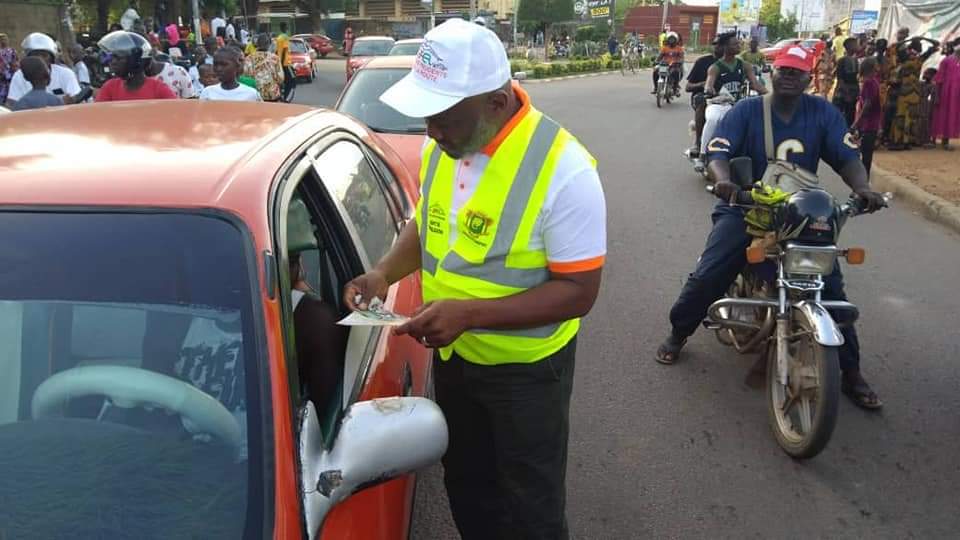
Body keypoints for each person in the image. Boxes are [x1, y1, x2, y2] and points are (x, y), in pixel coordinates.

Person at [361, 18, 606, 539]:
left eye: (443, 116)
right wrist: (383, 272)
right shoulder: (442, 148)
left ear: (496, 103)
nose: (431, 130)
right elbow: (428, 225)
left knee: (530, 503)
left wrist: (470, 314)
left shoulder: (565, 169)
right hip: (456, 360)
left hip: (527, 375)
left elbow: (580, 292)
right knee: (469, 485)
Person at [658, 44, 886, 410]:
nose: (789, 77)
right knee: (711, 273)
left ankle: (851, 372)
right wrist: (723, 181)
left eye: (797, 71)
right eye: (783, 70)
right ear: (772, 72)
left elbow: (847, 158)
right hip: (747, 206)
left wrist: (863, 188)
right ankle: (678, 332)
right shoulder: (747, 111)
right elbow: (719, 152)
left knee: (829, 286)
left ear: (810, 77)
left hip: (800, 212)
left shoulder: (822, 113)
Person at [699, 31, 766, 157]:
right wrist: (708, 89)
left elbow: (756, 85)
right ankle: (703, 154)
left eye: (738, 43)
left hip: (737, 105)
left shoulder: (745, 65)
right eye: (735, 44)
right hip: (718, 104)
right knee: (713, 119)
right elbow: (709, 83)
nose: (738, 46)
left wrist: (771, 95)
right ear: (725, 47)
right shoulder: (715, 67)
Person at [5, 33, 82, 109]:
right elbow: (11, 104)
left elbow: (75, 98)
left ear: (51, 58)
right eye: (35, 55)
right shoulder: (19, 76)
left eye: (44, 55)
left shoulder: (66, 73)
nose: (40, 59)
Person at [95, 31, 176, 102]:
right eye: (112, 57)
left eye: (118, 57)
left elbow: (177, 113)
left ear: (135, 61)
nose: (112, 62)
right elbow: (97, 115)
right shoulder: (110, 88)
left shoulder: (158, 89)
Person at [888, 38, 939, 150]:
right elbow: (936, 45)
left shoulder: (904, 58)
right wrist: (924, 38)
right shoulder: (920, 59)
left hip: (904, 92)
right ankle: (906, 142)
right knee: (910, 118)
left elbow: (894, 47)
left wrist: (909, 39)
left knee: (901, 117)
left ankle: (898, 141)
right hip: (915, 92)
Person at [685, 39, 725, 168]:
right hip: (704, 97)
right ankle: (698, 142)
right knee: (701, 101)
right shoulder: (702, 62)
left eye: (720, 45)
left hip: (727, 99)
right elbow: (688, 86)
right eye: (715, 45)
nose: (717, 47)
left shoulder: (738, 64)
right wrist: (702, 84)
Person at [851, 57, 882, 176]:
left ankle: (863, 183)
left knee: (865, 156)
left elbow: (867, 105)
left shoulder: (869, 83)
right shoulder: (873, 81)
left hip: (868, 123)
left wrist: (855, 124)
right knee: (866, 156)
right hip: (870, 123)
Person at [931, 39, 960, 150]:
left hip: (957, 94)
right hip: (947, 93)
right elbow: (939, 79)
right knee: (945, 114)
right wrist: (937, 94)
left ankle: (946, 139)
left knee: (953, 115)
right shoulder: (946, 61)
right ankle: (940, 139)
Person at [243, 33, 283, 101]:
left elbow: (246, 76)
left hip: (254, 95)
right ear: (268, 44)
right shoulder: (275, 58)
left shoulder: (248, 59)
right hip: (272, 95)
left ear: (257, 44)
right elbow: (280, 78)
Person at [833, 37, 860, 126]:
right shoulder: (842, 60)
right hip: (843, 92)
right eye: (855, 44)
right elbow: (840, 79)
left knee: (850, 115)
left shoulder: (856, 60)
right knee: (840, 114)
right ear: (849, 46)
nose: (857, 46)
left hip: (853, 92)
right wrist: (847, 93)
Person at [917, 67, 937, 148]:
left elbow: (933, 97)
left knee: (925, 120)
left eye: (927, 74)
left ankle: (924, 139)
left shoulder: (931, 85)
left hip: (925, 104)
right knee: (923, 120)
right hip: (923, 103)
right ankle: (922, 139)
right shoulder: (925, 84)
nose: (925, 75)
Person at [275, 24, 295, 102]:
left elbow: (277, 51)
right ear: (286, 29)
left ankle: (281, 96)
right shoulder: (285, 38)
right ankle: (286, 99)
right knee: (292, 81)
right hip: (286, 63)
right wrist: (283, 65)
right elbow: (284, 51)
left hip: (280, 62)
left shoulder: (278, 38)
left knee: (282, 80)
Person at [0, 33, 19, 104]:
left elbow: (16, 63)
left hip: (9, 79)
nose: (4, 41)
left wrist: (13, 73)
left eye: (5, 39)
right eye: (2, 39)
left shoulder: (12, 51)